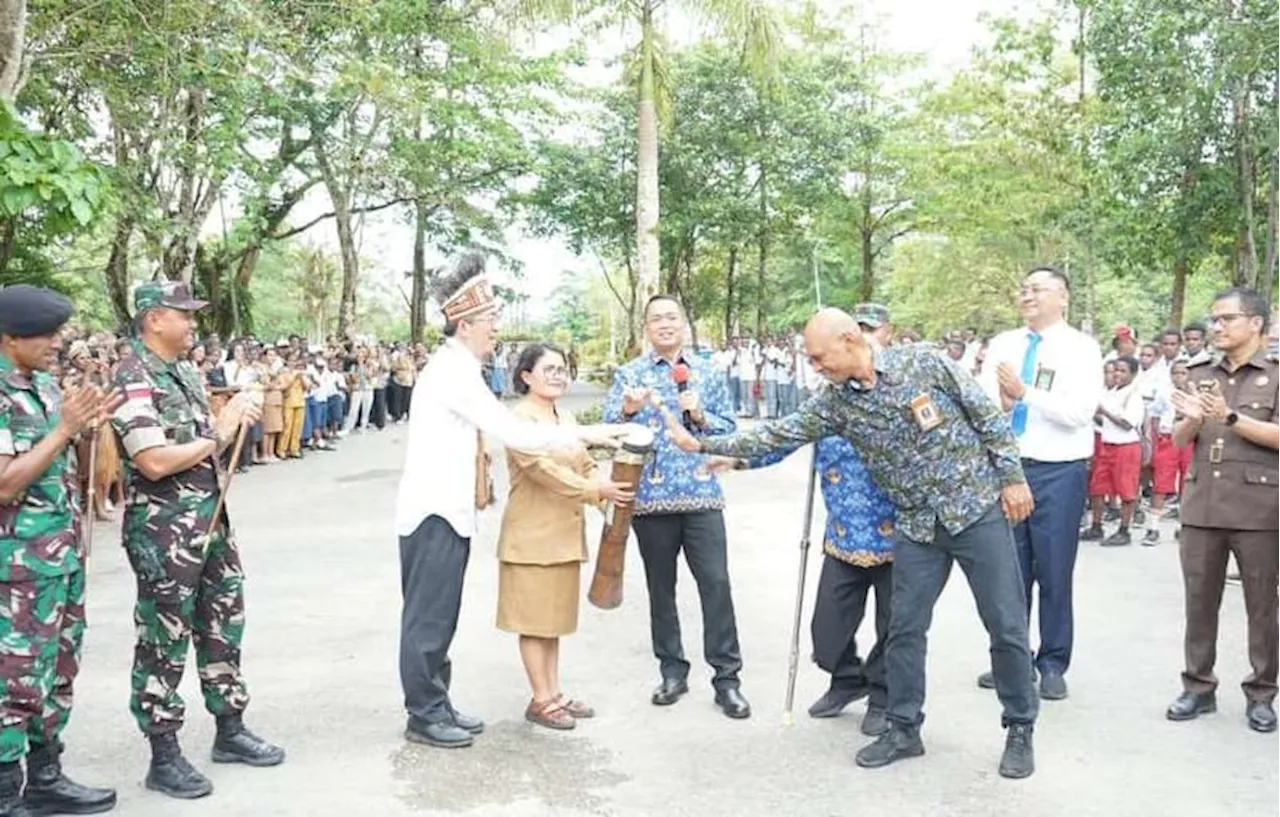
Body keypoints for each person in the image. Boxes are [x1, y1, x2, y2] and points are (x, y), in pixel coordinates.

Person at [666, 308, 1039, 779]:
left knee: (1005, 624)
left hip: (975, 510)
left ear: (849, 340)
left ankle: (1020, 726)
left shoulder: (923, 363)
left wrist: (1012, 478)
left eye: (821, 358)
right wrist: (705, 446)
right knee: (904, 629)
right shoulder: (835, 402)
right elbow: (778, 433)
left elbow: (986, 417)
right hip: (917, 524)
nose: (817, 368)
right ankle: (903, 727)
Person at [393, 252, 627, 750]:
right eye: (490, 321)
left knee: (442, 613)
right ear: (465, 324)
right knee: (428, 616)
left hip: (449, 511)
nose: (495, 329)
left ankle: (438, 700)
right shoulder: (452, 371)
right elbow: (513, 432)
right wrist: (599, 431)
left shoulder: (462, 369)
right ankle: (424, 713)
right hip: (432, 511)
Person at [110, 281, 284, 800]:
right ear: (153, 319)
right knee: (164, 639)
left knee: (222, 622)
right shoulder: (130, 376)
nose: (193, 324)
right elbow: (154, 460)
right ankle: (163, 753)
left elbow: (204, 439)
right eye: (183, 315)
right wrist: (218, 432)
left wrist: (230, 422)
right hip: (164, 532)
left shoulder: (184, 371)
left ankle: (230, 727)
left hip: (209, 523)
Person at [719, 303, 897, 737]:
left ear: (883, 335)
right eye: (861, 329)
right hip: (843, 535)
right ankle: (846, 678)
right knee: (827, 633)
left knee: (895, 630)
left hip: (899, 535)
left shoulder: (897, 388)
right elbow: (782, 438)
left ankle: (883, 696)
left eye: (873, 330)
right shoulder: (827, 399)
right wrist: (736, 458)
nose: (867, 337)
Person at [0, 286, 119, 817]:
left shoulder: (45, 386)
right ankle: (6, 792)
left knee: (58, 671)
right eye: (46, 334)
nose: (58, 342)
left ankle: (47, 776)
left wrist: (88, 429)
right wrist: (65, 428)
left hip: (61, 558)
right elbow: (5, 483)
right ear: (9, 339)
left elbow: (67, 461)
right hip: (19, 566)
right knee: (15, 679)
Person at [603, 294, 750, 719]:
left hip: (702, 494)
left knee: (716, 585)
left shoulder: (707, 370)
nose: (664, 325)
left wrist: (700, 415)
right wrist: (628, 408)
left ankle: (727, 679)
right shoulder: (631, 374)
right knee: (660, 588)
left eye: (671, 317)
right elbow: (611, 429)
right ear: (646, 328)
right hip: (650, 499)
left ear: (683, 324)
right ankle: (672, 670)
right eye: (656, 319)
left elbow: (729, 429)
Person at [976, 267, 1103, 700]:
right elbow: (982, 402)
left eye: (1038, 289)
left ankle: (1051, 662)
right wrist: (1004, 400)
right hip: (1008, 467)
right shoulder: (1004, 344)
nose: (1027, 295)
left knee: (1052, 569)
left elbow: (1080, 412)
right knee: (1008, 571)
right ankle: (1012, 659)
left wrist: (1025, 394)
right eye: (1024, 288)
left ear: (1063, 298)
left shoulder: (1081, 349)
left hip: (1058, 471)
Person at [496, 344, 635, 730]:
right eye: (549, 369)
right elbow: (543, 471)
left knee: (553, 622)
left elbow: (586, 463)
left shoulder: (564, 417)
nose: (558, 375)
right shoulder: (520, 419)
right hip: (532, 537)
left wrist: (606, 486)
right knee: (534, 622)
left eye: (562, 369)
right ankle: (540, 699)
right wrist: (596, 493)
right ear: (526, 376)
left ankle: (554, 693)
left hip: (565, 534)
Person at [1166, 286, 1280, 733]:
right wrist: (1194, 417)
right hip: (1202, 505)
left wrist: (1230, 416)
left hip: (1260, 509)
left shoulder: (1275, 373)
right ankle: (1198, 686)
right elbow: (1178, 439)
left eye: (1226, 319)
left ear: (1255, 323)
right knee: (1199, 601)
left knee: (1262, 606)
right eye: (1214, 320)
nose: (1217, 327)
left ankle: (1262, 691)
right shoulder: (1198, 372)